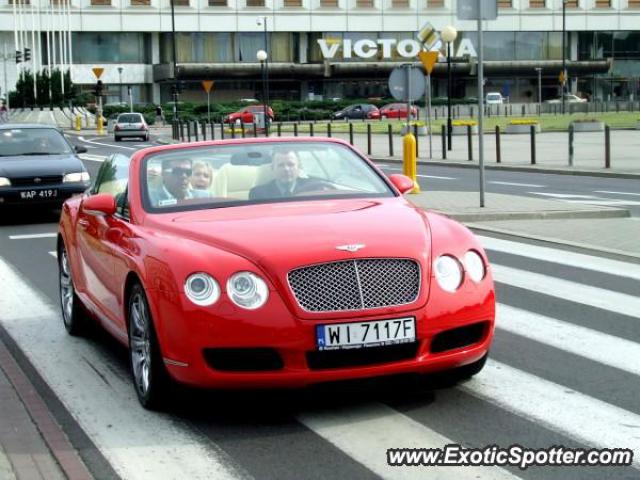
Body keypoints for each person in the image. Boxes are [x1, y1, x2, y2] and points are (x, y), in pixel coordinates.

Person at [249, 148, 315, 201]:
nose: (286, 169)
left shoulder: (313, 188)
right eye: (281, 165)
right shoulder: (258, 194)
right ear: (272, 168)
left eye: (291, 164)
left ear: (299, 167)